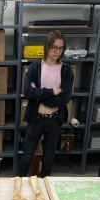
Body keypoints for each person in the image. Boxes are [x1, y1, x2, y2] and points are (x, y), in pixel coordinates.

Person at [18, 30, 73, 178]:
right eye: (54, 47)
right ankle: (18, 185)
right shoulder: (35, 67)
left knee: (48, 160)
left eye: (61, 48)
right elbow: (28, 92)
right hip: (36, 119)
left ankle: (45, 189)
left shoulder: (66, 70)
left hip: (55, 120)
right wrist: (51, 92)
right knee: (26, 158)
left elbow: (64, 99)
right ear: (47, 46)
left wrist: (39, 94)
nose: (57, 51)